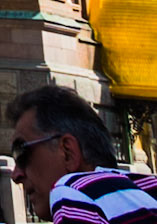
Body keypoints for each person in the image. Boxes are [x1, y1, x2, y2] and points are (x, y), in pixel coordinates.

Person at [9, 85, 157, 221]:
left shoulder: (72, 191)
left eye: (21, 151)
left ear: (67, 152)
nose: (15, 175)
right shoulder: (146, 193)